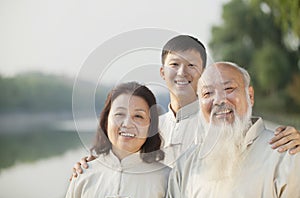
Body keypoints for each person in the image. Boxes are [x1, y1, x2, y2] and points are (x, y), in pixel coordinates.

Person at [71, 35, 300, 176]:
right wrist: (93, 164)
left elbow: (260, 140)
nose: (182, 72)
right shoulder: (150, 126)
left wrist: (293, 137)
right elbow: (123, 161)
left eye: (191, 65)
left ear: (203, 73)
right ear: (162, 72)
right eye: (174, 64)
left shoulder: (222, 120)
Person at [166, 62, 300, 198]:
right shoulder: (185, 166)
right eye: (207, 93)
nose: (218, 100)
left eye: (228, 88)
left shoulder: (286, 156)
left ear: (250, 96)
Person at [65, 82, 170, 198]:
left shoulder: (167, 179)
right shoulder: (83, 175)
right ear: (106, 121)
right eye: (119, 114)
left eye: (138, 116)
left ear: (151, 126)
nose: (127, 124)